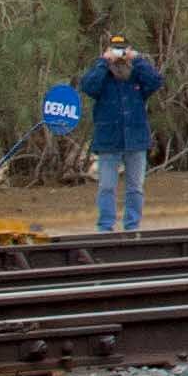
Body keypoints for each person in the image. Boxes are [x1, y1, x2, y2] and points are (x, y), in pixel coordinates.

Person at [75, 36, 165, 232]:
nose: (119, 54)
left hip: (136, 141)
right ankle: (105, 227)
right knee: (107, 186)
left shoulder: (137, 75)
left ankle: (132, 227)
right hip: (108, 140)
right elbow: (88, 86)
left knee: (135, 187)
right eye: (115, 49)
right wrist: (103, 62)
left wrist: (138, 59)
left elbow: (156, 81)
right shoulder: (101, 75)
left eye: (122, 49)